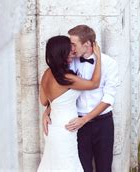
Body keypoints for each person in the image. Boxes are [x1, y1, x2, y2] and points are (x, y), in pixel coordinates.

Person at [43, 25, 118, 172]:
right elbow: (62, 90)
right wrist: (48, 110)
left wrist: (85, 119)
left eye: (73, 44)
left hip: (103, 123)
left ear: (87, 44)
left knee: (104, 168)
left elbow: (109, 98)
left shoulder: (109, 63)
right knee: (82, 168)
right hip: (77, 125)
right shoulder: (70, 61)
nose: (71, 49)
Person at [38, 35, 102, 172]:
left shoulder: (46, 74)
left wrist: (48, 110)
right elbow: (94, 83)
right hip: (66, 129)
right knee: (68, 165)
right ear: (61, 53)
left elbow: (44, 101)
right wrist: (99, 59)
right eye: (69, 50)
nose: (72, 53)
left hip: (53, 127)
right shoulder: (67, 78)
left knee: (54, 165)